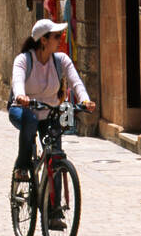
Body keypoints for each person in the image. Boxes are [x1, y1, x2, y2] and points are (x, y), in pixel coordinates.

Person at [8, 19, 96, 179]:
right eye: (56, 36)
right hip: (23, 109)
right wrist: (21, 95)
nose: (61, 39)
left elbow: (75, 82)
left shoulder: (61, 60)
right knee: (30, 119)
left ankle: (53, 202)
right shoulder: (23, 60)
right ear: (44, 39)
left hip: (49, 112)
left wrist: (85, 100)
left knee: (55, 154)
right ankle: (22, 166)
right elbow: (17, 81)